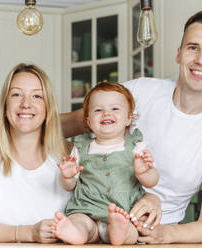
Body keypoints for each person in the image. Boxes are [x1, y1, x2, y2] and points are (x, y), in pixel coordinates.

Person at [0, 10, 202, 244]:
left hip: (155, 237)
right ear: (179, 53)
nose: (201, 60)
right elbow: (58, 123)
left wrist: (163, 233)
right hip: (97, 220)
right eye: (193, 47)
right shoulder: (139, 91)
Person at [0, 63, 72, 243]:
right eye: (16, 94)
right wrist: (30, 233)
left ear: (48, 108)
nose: (26, 104)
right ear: (5, 105)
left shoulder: (69, 155)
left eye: (37, 96)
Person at [52, 82, 159, 245]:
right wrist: (67, 176)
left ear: (129, 118)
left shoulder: (137, 146)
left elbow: (152, 182)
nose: (106, 113)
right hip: (87, 210)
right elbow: (69, 186)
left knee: (132, 229)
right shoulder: (80, 148)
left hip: (125, 211)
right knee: (79, 221)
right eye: (98, 110)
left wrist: (144, 173)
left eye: (115, 109)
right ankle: (77, 233)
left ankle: (119, 231)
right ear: (88, 121)